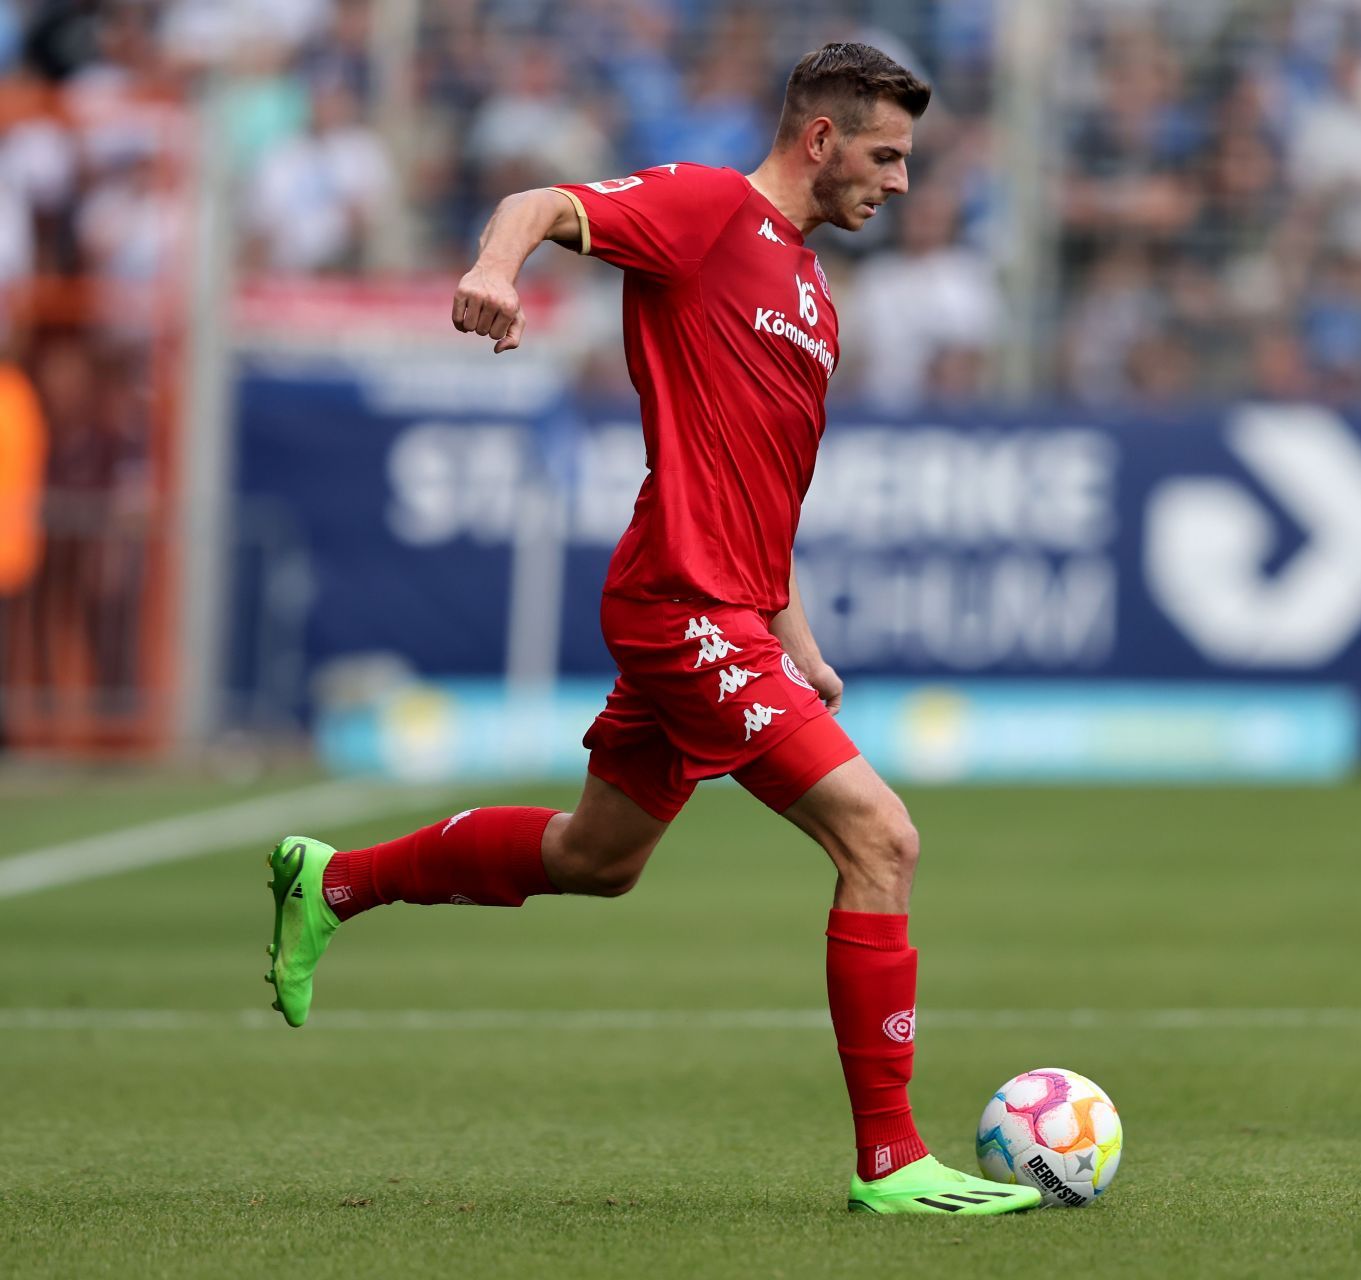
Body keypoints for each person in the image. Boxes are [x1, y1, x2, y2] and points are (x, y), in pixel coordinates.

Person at [262, 43, 1040, 1216]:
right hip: (679, 605)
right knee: (881, 839)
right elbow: (540, 202)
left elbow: (760, 494)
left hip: (728, 603)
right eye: (886, 155)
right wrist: (494, 270)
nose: (903, 182)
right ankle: (892, 1160)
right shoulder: (710, 211)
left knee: (598, 857)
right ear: (820, 139)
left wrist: (797, 636)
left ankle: (334, 883)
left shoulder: (815, 297)